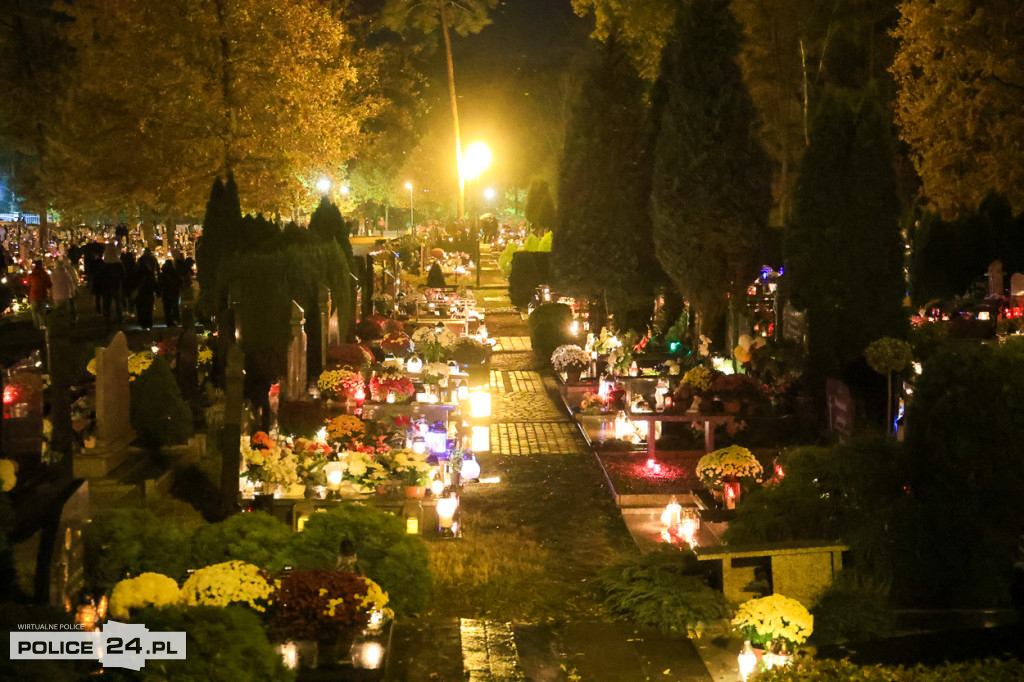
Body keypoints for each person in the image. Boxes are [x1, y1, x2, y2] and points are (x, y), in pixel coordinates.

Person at [99, 243, 125, 324]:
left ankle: (107, 318)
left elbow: (101, 275)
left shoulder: (104, 263)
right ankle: (119, 317)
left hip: (106, 286)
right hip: (116, 285)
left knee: (107, 303)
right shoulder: (118, 263)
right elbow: (123, 274)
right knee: (118, 302)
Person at [51, 256, 80, 322]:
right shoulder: (68, 271)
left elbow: (51, 284)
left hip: (56, 294)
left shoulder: (53, 274)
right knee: (69, 306)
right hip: (67, 293)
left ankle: (60, 320)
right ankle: (72, 318)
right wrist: (74, 288)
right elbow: (73, 281)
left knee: (58, 308)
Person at [26, 260, 52, 329]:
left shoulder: (31, 275)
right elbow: (49, 285)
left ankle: (36, 326)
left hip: (33, 295)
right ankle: (42, 326)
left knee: (34, 312)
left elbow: (28, 285)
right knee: (42, 312)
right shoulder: (45, 274)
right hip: (43, 295)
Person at [158, 259, 182, 327]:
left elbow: (160, 283)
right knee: (175, 306)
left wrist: (159, 291)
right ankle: (176, 319)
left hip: (166, 293)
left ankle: (169, 321)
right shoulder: (175, 272)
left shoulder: (163, 273)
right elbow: (180, 281)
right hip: (174, 292)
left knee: (167, 308)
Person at [135, 262, 157, 330]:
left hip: (140, 294)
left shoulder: (137, 275)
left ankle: (142, 322)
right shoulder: (150, 275)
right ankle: (149, 322)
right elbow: (154, 284)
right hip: (149, 294)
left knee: (141, 308)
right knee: (148, 309)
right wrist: (158, 292)